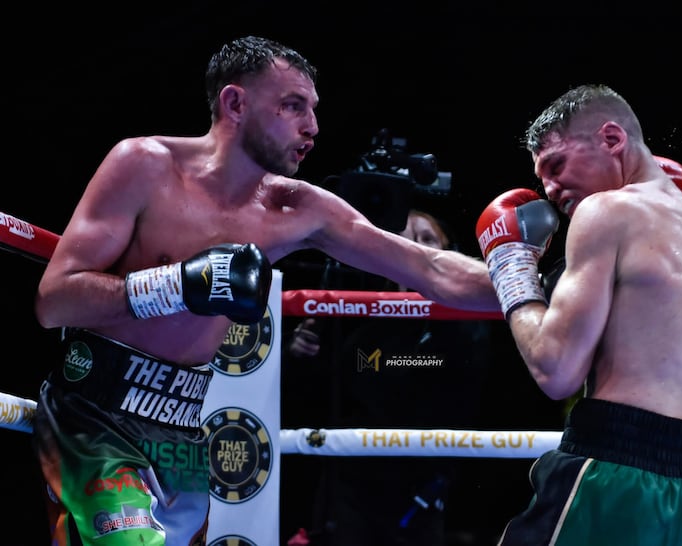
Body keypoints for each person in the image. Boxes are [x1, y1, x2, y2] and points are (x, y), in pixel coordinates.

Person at [32, 36, 499, 546]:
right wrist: (179, 285)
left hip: (183, 431)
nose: (313, 128)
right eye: (292, 106)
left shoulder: (295, 208)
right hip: (96, 414)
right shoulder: (144, 164)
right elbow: (56, 300)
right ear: (235, 103)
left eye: (314, 110)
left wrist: (535, 283)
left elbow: (429, 266)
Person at [474, 84, 682, 545]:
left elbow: (555, 369)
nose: (548, 189)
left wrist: (512, 271)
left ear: (611, 139)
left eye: (556, 165)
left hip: (616, 484)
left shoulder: (605, 212)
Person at [283, 209, 492, 546]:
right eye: (406, 238)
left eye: (427, 239)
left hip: (424, 483)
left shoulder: (467, 325)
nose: (415, 247)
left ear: (447, 250)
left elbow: (462, 396)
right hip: (356, 483)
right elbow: (326, 400)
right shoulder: (362, 329)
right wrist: (299, 356)